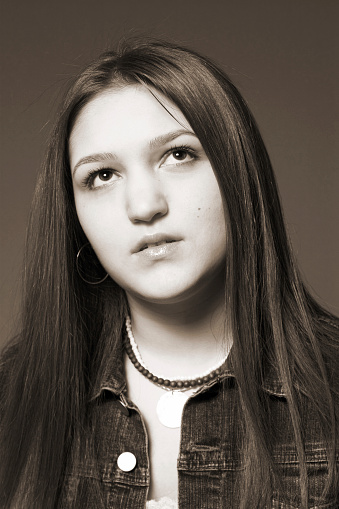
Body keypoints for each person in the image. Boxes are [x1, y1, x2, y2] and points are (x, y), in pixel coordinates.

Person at [0, 38, 338, 509]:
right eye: (101, 175)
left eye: (178, 155)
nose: (144, 206)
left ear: (237, 171)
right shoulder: (12, 398)